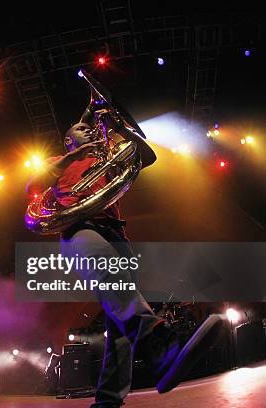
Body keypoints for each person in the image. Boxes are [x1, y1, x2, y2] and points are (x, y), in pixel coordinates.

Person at [29, 109, 224, 407]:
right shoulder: (58, 162)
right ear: (68, 140)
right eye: (81, 128)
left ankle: (108, 401)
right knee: (114, 285)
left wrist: (117, 126)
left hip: (116, 234)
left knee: (118, 321)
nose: (89, 130)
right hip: (79, 228)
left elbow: (147, 157)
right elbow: (33, 183)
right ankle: (159, 342)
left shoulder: (106, 158)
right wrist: (73, 156)